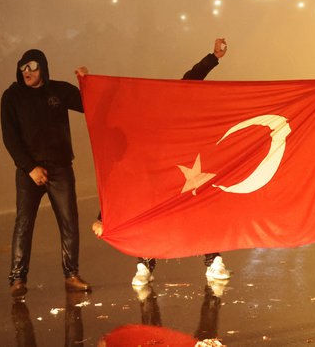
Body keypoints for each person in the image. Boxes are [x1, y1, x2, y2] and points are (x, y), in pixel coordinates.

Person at [91, 38, 231, 286]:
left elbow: (192, 78)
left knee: (203, 204)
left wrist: (214, 57)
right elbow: (119, 179)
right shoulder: (134, 129)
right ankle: (144, 263)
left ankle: (213, 259)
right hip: (154, 177)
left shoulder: (168, 100)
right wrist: (102, 217)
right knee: (145, 209)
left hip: (186, 169)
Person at [1, 49, 91, 297]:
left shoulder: (59, 91)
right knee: (24, 223)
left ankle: (71, 275)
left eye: (32, 67)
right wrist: (30, 168)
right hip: (28, 171)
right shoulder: (12, 97)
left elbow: (89, 104)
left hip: (60, 167)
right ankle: (17, 279)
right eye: (23, 68)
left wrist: (86, 82)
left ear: (43, 67)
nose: (27, 72)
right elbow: (10, 137)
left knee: (69, 221)